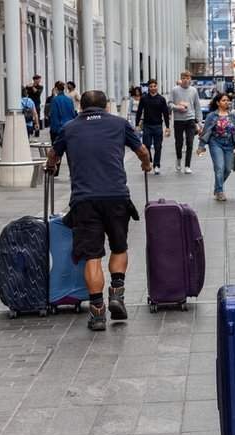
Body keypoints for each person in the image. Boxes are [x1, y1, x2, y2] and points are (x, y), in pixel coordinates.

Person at [45, 90, 152, 332]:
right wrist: (146, 164)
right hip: (116, 197)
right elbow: (142, 151)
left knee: (92, 256)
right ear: (106, 108)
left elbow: (54, 153)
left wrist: (50, 166)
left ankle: (97, 312)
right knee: (119, 247)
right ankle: (117, 292)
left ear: (80, 108)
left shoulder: (70, 127)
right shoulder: (119, 123)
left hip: (84, 200)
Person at [197, 93, 235, 201]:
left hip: (229, 144)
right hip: (216, 143)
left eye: (227, 100)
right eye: (223, 100)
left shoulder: (232, 116)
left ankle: (217, 188)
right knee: (219, 168)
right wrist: (201, 146)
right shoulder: (211, 116)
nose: (226, 102)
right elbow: (206, 131)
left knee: (227, 169)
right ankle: (220, 192)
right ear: (218, 102)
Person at [168, 70, 202, 173]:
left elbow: (197, 106)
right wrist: (177, 107)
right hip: (178, 120)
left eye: (187, 78)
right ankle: (178, 158)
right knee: (179, 142)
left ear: (190, 79)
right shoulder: (175, 90)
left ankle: (187, 165)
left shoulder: (194, 91)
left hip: (190, 119)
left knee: (190, 142)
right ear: (181, 78)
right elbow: (169, 103)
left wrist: (199, 121)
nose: (185, 80)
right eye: (183, 78)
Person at [135, 79, 172, 174]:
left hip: (158, 126)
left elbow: (165, 113)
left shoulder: (161, 99)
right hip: (147, 125)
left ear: (157, 86)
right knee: (146, 146)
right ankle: (149, 161)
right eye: (151, 86)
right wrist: (136, 124)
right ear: (148, 87)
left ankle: (157, 165)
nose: (153, 88)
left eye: (154, 86)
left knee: (158, 146)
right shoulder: (144, 98)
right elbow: (139, 111)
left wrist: (167, 127)